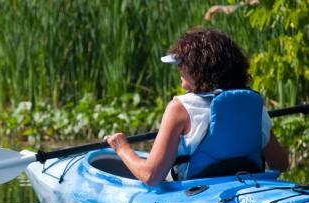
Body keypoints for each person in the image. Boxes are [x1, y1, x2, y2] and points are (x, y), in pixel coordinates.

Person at [105, 27, 289, 186]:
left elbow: (151, 176)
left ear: (199, 67)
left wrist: (122, 147)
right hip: (245, 188)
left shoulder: (180, 108)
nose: (178, 68)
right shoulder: (252, 105)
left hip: (194, 197)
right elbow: (281, 164)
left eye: (182, 63)